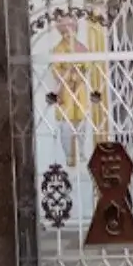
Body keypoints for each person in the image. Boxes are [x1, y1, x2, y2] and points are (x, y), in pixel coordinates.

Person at [52, 16, 89, 167]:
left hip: (79, 90)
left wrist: (79, 76)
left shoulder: (81, 48)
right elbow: (56, 69)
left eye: (71, 30)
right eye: (65, 32)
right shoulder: (58, 49)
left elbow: (88, 66)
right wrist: (68, 76)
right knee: (66, 125)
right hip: (65, 91)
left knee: (81, 123)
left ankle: (80, 153)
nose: (68, 34)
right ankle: (68, 155)